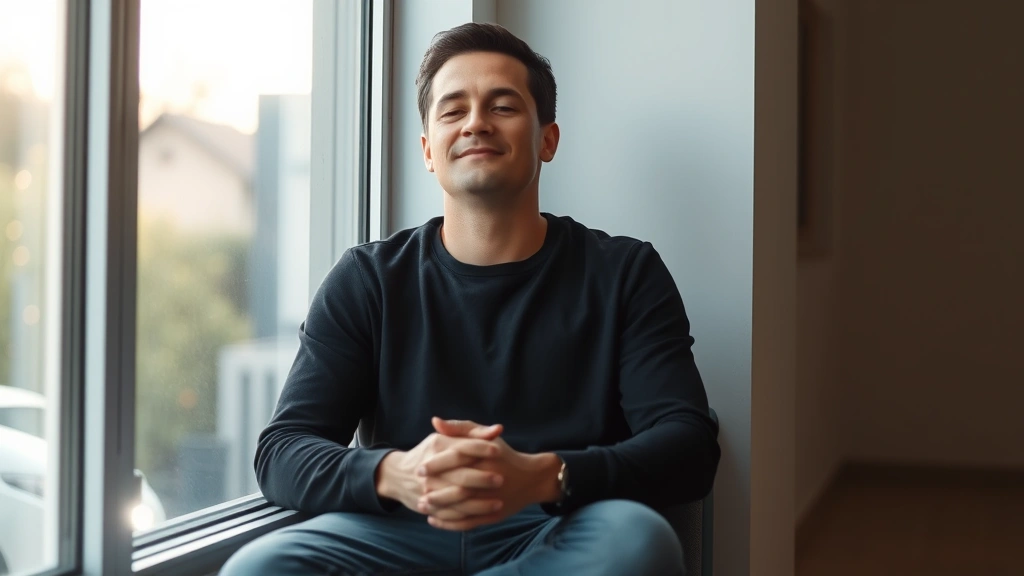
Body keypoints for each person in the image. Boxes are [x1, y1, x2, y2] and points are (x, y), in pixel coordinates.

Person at [221, 21, 720, 576]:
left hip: (561, 526)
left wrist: (544, 474)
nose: (476, 123)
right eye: (453, 110)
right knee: (259, 568)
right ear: (429, 149)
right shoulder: (367, 279)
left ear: (547, 139)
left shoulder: (624, 272)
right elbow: (284, 449)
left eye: (502, 106)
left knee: (639, 543)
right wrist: (397, 474)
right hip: (399, 528)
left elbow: (688, 446)